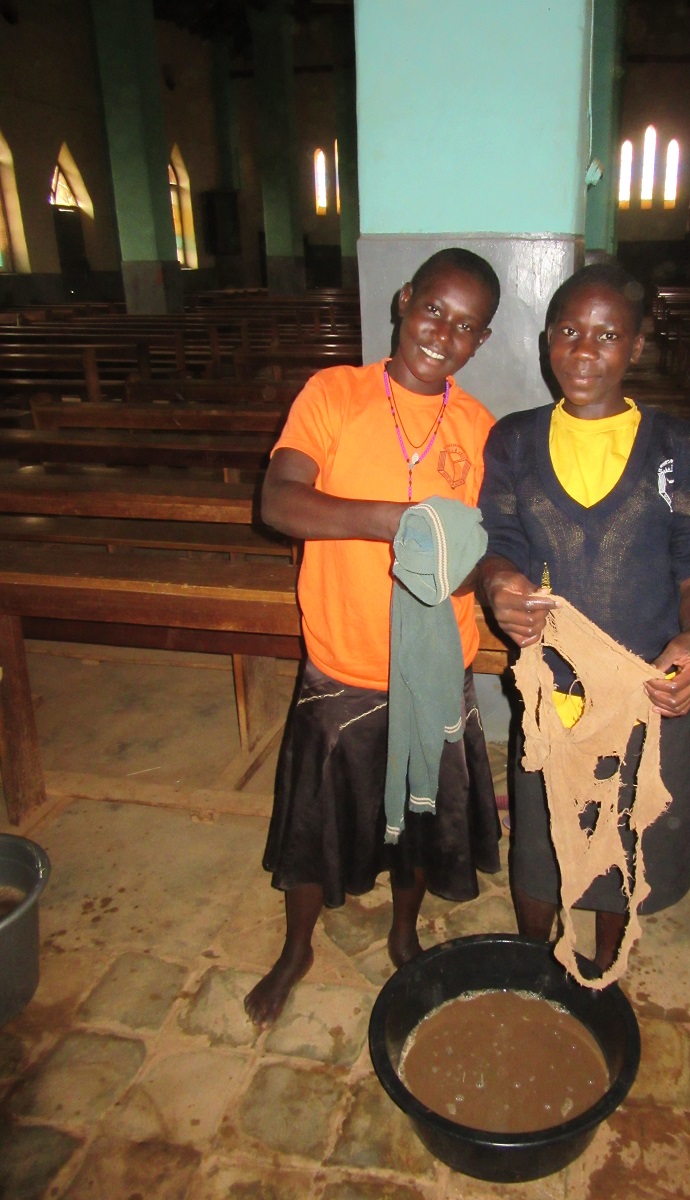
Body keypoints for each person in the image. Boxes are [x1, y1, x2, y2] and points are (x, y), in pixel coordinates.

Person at [244, 248, 502, 1027]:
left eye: (466, 326)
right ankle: (296, 947)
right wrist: (393, 523)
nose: (443, 335)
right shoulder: (335, 394)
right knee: (312, 820)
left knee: (419, 820)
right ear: (403, 300)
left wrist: (471, 571)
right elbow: (280, 503)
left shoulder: (478, 428)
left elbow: (480, 556)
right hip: (344, 660)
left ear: (482, 341)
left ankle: (402, 930)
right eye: (433, 310)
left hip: (436, 669)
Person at [478, 261, 690, 972]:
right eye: (568, 332)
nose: (583, 351)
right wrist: (497, 584)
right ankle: (536, 965)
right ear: (547, 340)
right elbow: (498, 542)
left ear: (636, 347)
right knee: (540, 843)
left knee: (625, 843)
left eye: (607, 335)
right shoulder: (515, 441)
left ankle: (603, 971)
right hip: (552, 692)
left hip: (644, 690)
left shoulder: (678, 449)